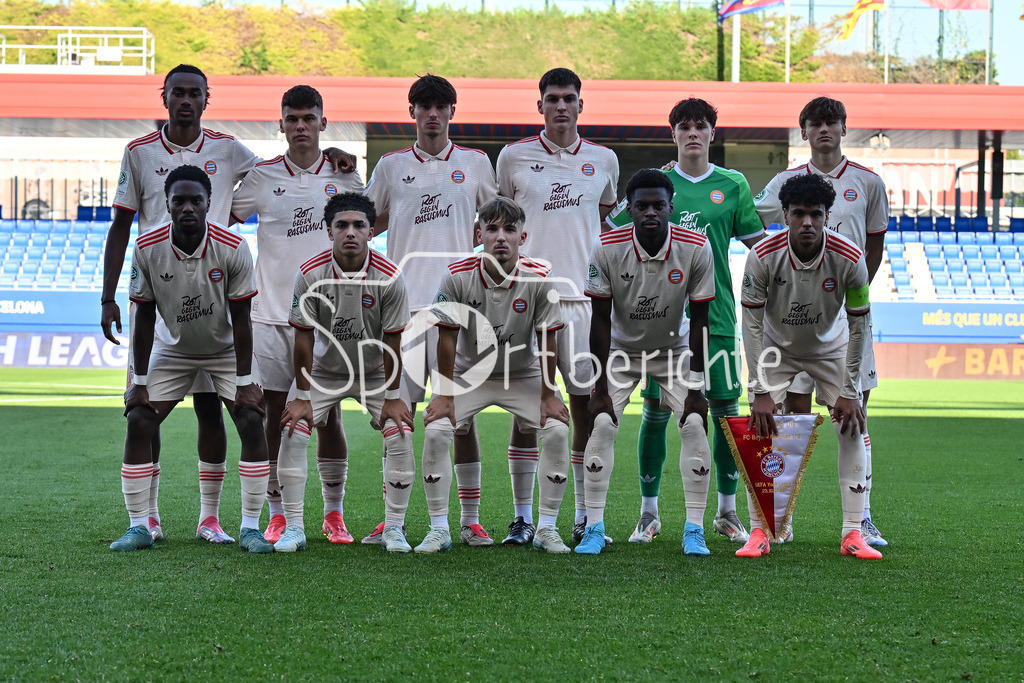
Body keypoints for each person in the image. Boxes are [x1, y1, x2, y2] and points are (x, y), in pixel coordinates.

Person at [101, 64, 257, 545]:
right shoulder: (139, 152)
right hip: (159, 291)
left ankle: (211, 519)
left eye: (194, 93)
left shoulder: (228, 148)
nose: (186, 100)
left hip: (212, 293)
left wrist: (328, 156)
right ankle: (147, 519)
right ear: (164, 97)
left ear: (207, 99)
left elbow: (275, 174)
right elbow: (121, 225)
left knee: (212, 411)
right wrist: (107, 296)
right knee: (144, 408)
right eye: (177, 93)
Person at [605, 98, 764, 545]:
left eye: (701, 126)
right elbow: (611, 231)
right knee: (656, 413)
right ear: (672, 133)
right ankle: (649, 513)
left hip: (717, 317)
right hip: (661, 322)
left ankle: (727, 512)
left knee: (725, 413)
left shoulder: (733, 184)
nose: (693, 133)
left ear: (713, 132)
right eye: (684, 126)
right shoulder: (656, 185)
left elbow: (760, 248)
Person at [362, 74, 498, 547]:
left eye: (441, 106)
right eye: (425, 106)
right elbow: (366, 218)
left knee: (461, 418)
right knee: (397, 416)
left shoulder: (476, 163)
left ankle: (469, 519)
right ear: (413, 113)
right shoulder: (391, 166)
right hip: (402, 310)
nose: (433, 114)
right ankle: (392, 520)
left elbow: (496, 220)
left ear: (452, 112)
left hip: (459, 310)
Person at [110, 164, 273, 553]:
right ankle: (139, 526)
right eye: (179, 200)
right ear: (166, 203)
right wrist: (140, 382)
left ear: (208, 203)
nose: (187, 208)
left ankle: (250, 528)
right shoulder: (147, 247)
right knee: (139, 418)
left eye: (195, 200)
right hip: (173, 349)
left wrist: (246, 383)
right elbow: (144, 316)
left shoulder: (233, 247)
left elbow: (242, 319)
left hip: (225, 350)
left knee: (251, 419)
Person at [230, 85, 363, 546]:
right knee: (273, 415)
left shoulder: (345, 175)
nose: (301, 126)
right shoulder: (262, 176)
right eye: (293, 118)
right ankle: (277, 514)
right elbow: (224, 217)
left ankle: (333, 513)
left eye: (309, 118)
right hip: (269, 316)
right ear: (281, 124)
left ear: (324, 122)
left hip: (328, 319)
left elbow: (365, 226)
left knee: (329, 417)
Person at [754, 96, 889, 547]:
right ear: (804, 131)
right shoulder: (785, 182)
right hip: (791, 323)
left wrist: (845, 296)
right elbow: (750, 219)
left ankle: (861, 519)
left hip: (844, 319)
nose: (825, 129)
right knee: (792, 419)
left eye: (832, 122)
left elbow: (873, 248)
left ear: (845, 128)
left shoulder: (868, 182)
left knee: (854, 415)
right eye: (816, 123)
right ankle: (782, 515)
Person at [496, 67, 619, 545]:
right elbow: (503, 220)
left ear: (580, 105)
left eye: (569, 98)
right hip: (527, 299)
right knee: (526, 408)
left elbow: (602, 216)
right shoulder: (513, 156)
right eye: (553, 98)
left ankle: (585, 516)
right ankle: (523, 518)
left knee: (585, 406)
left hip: (583, 301)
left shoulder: (604, 160)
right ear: (540, 105)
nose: (561, 106)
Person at [737, 173, 882, 560]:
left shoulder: (850, 257)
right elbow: (751, 326)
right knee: (762, 427)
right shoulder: (762, 256)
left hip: (830, 347)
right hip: (776, 348)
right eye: (798, 213)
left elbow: (859, 325)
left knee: (852, 425)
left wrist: (850, 391)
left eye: (815, 214)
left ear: (827, 216)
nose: (807, 222)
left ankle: (853, 533)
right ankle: (760, 530)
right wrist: (761, 391)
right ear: (784, 214)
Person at [418, 197, 572, 554]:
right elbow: (446, 336)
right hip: (468, 373)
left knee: (557, 429)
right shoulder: (456, 275)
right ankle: (439, 529)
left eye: (509, 229)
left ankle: (546, 529)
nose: (500, 237)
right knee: (438, 429)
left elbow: (547, 339)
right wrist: (444, 394)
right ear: (479, 235)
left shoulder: (540, 276)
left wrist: (548, 394)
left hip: (522, 373)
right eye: (492, 229)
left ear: (523, 237)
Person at [577, 169, 715, 556]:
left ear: (671, 207)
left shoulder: (696, 246)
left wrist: (697, 387)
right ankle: (593, 528)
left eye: (658, 205)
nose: (650, 212)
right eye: (642, 206)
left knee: (694, 424)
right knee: (602, 424)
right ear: (630, 209)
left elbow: (701, 319)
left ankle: (694, 529)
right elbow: (599, 319)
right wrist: (599, 386)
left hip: (674, 351)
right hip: (621, 351)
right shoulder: (607, 246)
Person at [279, 193, 416, 553]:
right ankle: (294, 527)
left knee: (400, 431)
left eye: (358, 225)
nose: (350, 232)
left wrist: (392, 397)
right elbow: (303, 338)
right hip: (324, 371)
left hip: (375, 373)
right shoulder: (310, 273)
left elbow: (393, 340)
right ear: (329, 231)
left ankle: (394, 528)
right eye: (342, 225)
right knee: (292, 429)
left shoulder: (390, 276)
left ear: (371, 231)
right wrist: (303, 397)